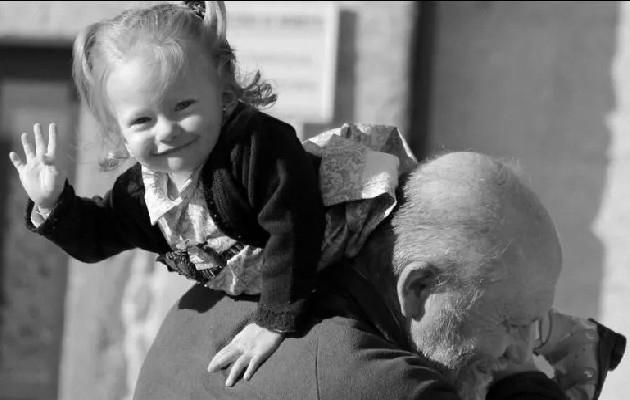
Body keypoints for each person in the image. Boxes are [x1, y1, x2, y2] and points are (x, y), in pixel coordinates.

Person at [7, 1, 405, 387]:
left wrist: (273, 321)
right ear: (120, 133)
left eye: (182, 106)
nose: (166, 130)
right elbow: (100, 234)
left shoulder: (255, 147)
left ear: (223, 92)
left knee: (401, 294)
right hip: (282, 274)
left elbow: (294, 224)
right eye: (143, 120)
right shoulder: (142, 192)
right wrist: (52, 204)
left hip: (345, 236)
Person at [133, 151, 624, 400]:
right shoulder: (386, 388)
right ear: (418, 288)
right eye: (513, 323)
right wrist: (527, 386)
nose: (526, 351)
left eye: (535, 327)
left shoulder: (231, 289)